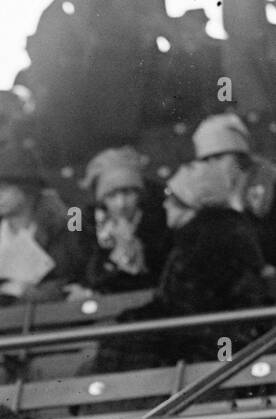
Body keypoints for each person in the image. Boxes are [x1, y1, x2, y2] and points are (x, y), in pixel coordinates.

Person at [94, 160, 269, 373]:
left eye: (171, 198)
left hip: (212, 348)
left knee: (121, 351)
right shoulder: (214, 234)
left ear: (190, 204)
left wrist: (131, 321)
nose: (165, 204)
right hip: (216, 339)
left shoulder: (201, 244)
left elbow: (181, 309)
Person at [0, 147, 85, 308]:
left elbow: (73, 279)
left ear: (27, 188)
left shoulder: (64, 225)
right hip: (1, 323)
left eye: (4, 187)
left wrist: (23, 291)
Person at [74, 148, 170, 296]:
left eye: (128, 193)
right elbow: (87, 275)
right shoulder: (87, 227)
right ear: (102, 200)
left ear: (139, 194)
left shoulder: (161, 221)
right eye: (112, 195)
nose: (121, 203)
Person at [192, 112, 276, 268]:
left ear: (239, 155)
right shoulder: (207, 201)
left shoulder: (270, 184)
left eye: (218, 157)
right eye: (206, 160)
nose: (212, 166)